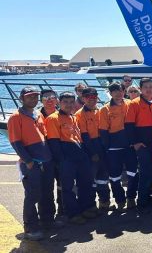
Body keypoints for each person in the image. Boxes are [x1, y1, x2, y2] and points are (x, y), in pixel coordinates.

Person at [8, 87, 58, 240]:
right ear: (21, 98)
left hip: (46, 161)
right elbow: (15, 142)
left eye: (35, 96)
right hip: (32, 163)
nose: (33, 99)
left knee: (47, 192)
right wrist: (28, 161)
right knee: (33, 194)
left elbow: (44, 136)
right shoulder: (15, 117)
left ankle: (47, 220)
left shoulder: (38, 114)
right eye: (29, 97)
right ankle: (31, 226)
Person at [46, 92, 97, 224]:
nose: (69, 105)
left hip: (79, 154)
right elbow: (54, 142)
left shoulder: (73, 117)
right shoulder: (53, 118)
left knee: (85, 183)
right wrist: (61, 161)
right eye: (65, 102)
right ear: (59, 102)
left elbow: (78, 137)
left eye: (71, 102)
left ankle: (85, 208)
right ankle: (73, 213)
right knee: (68, 188)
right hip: (66, 157)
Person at [99, 82, 137, 211]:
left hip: (130, 146)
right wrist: (107, 147)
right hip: (114, 148)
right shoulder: (104, 109)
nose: (118, 93)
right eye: (114, 91)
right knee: (115, 176)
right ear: (110, 93)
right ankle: (120, 200)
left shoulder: (130, 104)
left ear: (124, 91)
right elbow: (103, 131)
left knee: (133, 173)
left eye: (120, 90)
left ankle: (131, 198)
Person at [125, 77, 152, 213]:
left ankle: (148, 197)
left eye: (151, 87)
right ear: (140, 89)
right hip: (142, 143)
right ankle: (142, 201)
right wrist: (135, 143)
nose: (149, 89)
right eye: (146, 87)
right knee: (146, 173)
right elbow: (129, 125)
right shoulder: (134, 104)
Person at [75, 87, 110, 211]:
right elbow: (84, 136)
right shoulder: (79, 115)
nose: (92, 100)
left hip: (102, 146)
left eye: (94, 98)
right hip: (90, 148)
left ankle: (104, 202)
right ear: (83, 98)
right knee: (90, 179)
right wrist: (92, 153)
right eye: (89, 98)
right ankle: (89, 206)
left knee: (103, 177)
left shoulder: (100, 111)